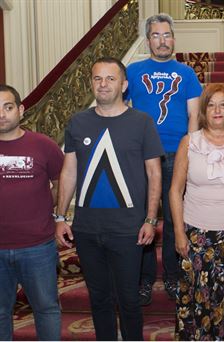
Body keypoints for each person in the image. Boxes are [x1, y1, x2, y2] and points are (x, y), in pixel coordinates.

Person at [55, 57, 164, 340]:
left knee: (129, 301)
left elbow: (154, 175)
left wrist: (151, 219)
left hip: (128, 229)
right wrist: (59, 216)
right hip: (87, 229)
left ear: (124, 84)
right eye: (97, 79)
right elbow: (68, 172)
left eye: (110, 78)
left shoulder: (142, 122)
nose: (103, 84)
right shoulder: (78, 122)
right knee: (99, 299)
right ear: (91, 83)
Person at [170, 83, 224, 340]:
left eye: (223, 105)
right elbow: (175, 191)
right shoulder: (189, 143)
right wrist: (178, 232)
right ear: (203, 111)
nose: (217, 110)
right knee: (200, 304)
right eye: (211, 105)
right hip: (196, 236)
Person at [125, 13, 202, 305]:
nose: (162, 40)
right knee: (141, 218)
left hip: (174, 153)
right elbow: (121, 108)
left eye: (166, 35)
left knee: (172, 218)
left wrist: (189, 151)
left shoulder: (186, 73)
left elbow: (194, 114)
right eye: (156, 35)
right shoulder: (132, 71)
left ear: (173, 38)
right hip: (140, 156)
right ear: (148, 40)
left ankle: (172, 274)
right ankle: (144, 279)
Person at [0, 85, 63, 341]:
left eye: (8, 107)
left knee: (46, 309)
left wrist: (52, 211)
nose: (2, 114)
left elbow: (62, 182)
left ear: (21, 110)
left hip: (37, 246)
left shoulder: (43, 146)